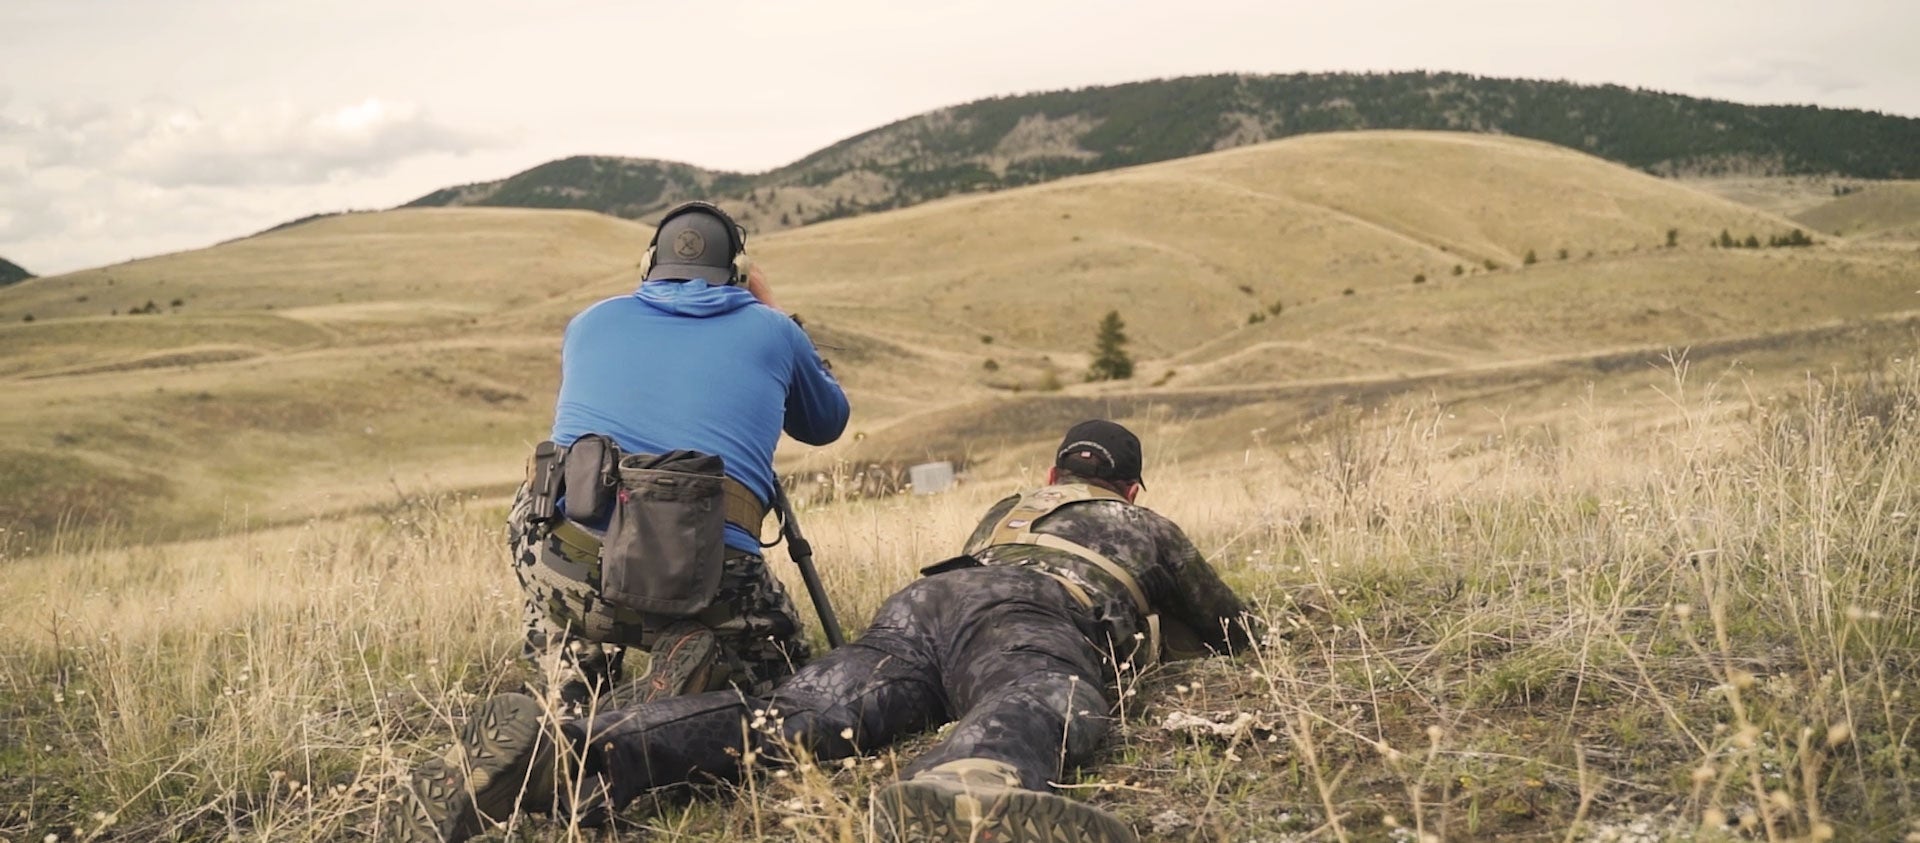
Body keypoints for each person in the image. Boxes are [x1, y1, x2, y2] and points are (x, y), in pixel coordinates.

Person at [407, 419, 1255, 843]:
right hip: (1025, 614)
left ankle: (572, 751)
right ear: (1132, 490)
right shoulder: (1146, 526)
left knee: (793, 714)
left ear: (1051, 473)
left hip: (922, 605)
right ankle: (969, 777)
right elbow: (1231, 628)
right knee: (1041, 687)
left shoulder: (1010, 507)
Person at [511, 200, 849, 708]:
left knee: (559, 550)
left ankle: (573, 696)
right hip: (704, 576)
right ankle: (689, 674)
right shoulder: (774, 331)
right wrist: (773, 311)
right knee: (784, 678)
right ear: (737, 273)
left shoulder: (590, 322)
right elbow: (826, 423)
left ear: (648, 267)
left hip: (564, 561)